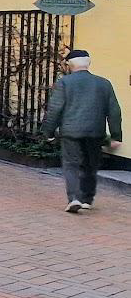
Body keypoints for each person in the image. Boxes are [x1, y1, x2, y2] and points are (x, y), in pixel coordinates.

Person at [41, 49, 122, 213]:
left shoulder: (65, 83)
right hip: (95, 132)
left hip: (71, 132)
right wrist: (115, 135)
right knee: (91, 165)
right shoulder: (104, 83)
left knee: (71, 165)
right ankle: (87, 199)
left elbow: (55, 110)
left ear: (70, 64)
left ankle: (75, 198)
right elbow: (114, 111)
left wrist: (48, 133)